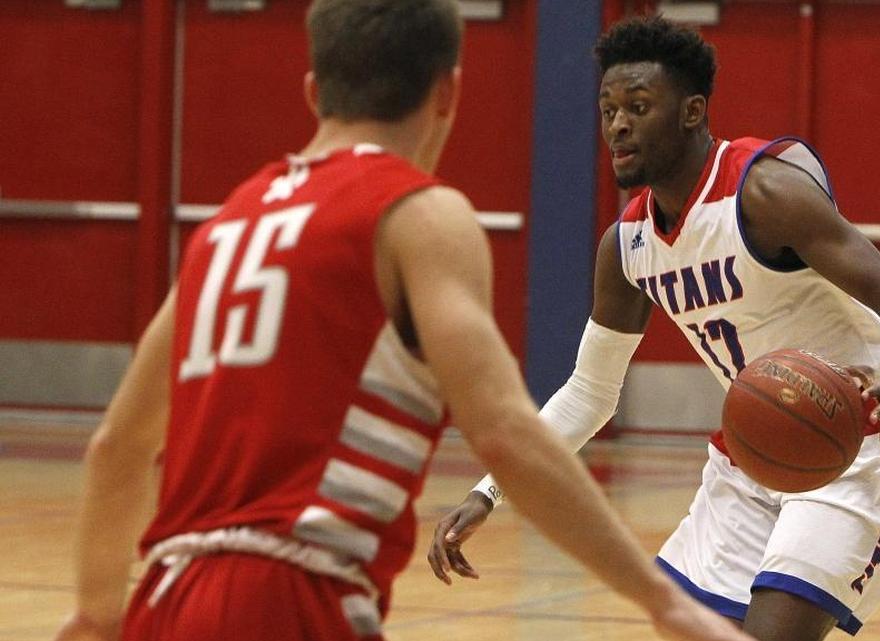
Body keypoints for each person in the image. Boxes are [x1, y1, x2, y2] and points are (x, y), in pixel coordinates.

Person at [51, 4, 756, 641]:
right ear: (447, 92)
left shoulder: (226, 224)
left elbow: (117, 445)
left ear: (312, 91)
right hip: (292, 592)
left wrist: (93, 614)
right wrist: (663, 603)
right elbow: (507, 433)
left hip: (165, 596)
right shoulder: (416, 214)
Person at [429, 15, 880, 641]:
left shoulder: (766, 194)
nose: (618, 123)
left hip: (857, 444)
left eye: (639, 106)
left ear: (692, 111)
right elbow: (590, 394)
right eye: (609, 107)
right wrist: (488, 492)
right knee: (685, 628)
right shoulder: (627, 246)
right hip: (752, 453)